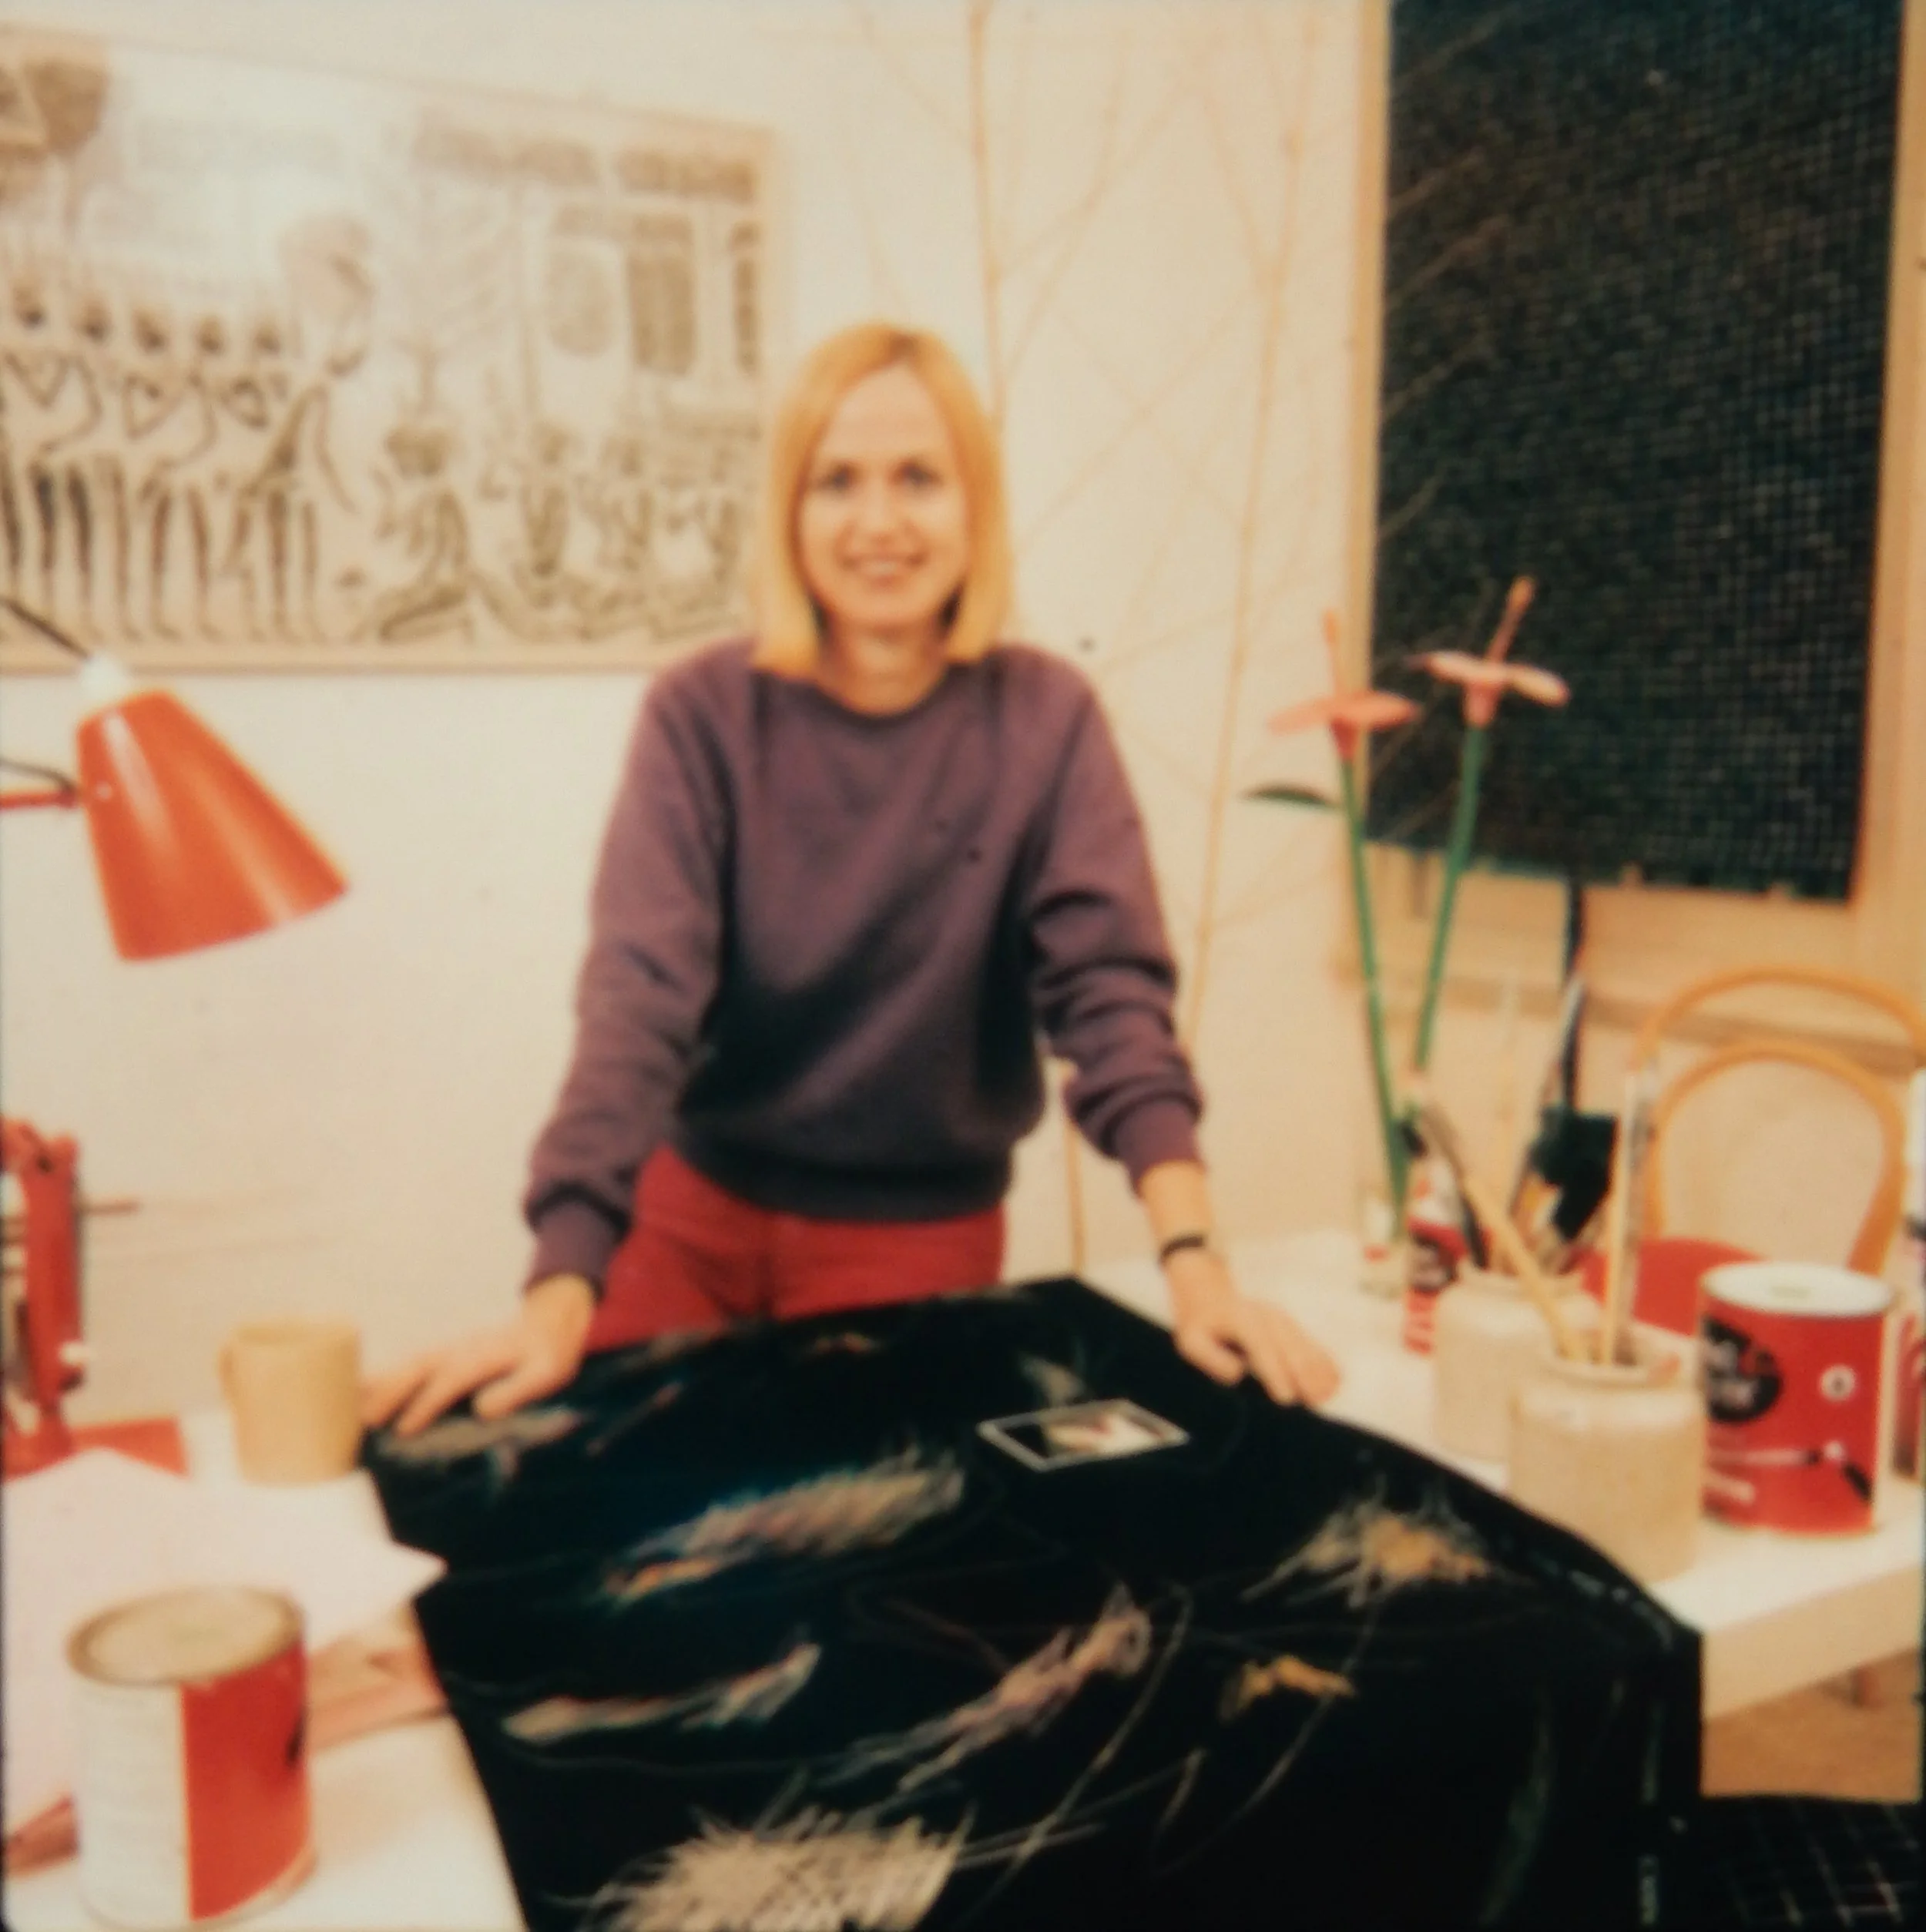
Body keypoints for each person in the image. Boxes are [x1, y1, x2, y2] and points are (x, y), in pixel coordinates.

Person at [364, 322, 1338, 1438]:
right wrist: (558, 1289)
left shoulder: (1045, 721)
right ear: (790, 513)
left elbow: (1113, 1006)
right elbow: (638, 1002)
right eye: (837, 482)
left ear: (974, 506)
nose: (878, 522)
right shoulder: (702, 715)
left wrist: (1196, 1267)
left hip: (916, 1247)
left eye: (919, 478)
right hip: (683, 1226)